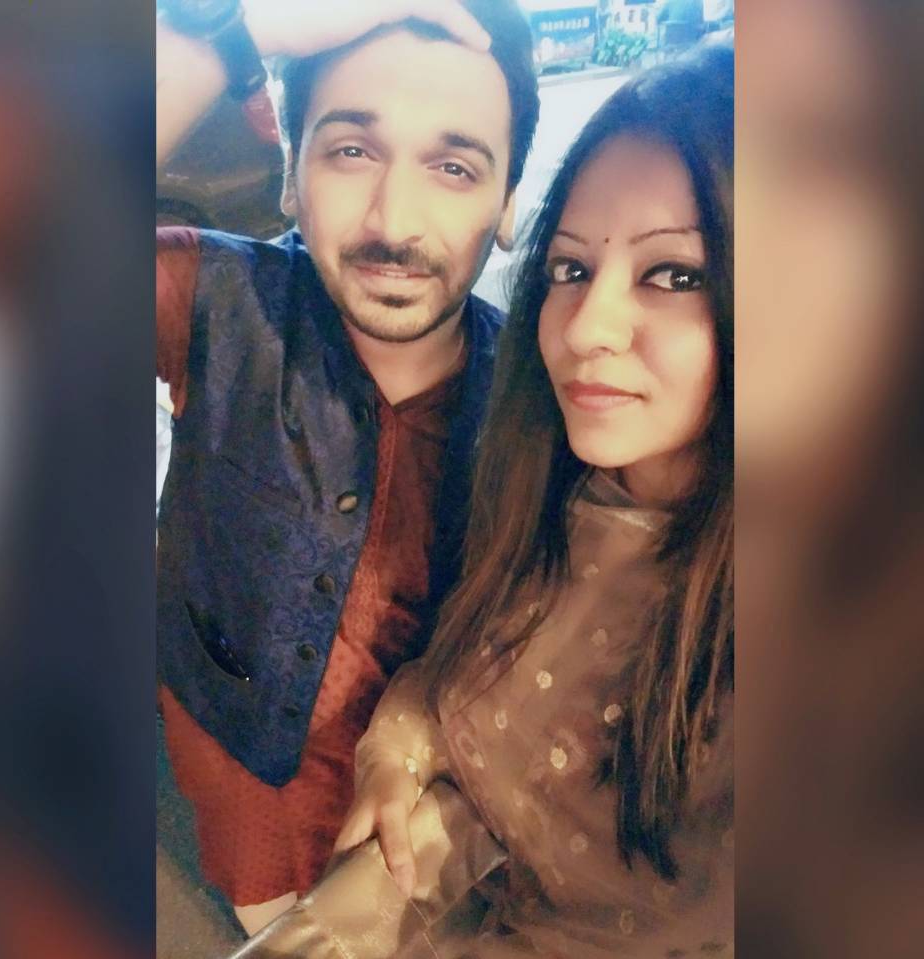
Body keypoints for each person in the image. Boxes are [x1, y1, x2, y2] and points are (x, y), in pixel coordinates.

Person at [246, 44, 734, 958]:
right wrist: (397, 755)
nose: (586, 328)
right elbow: (461, 673)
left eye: (675, 274)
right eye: (570, 270)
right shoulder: (553, 491)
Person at [154, 0, 539, 936]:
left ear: (506, 206)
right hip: (238, 768)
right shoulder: (210, 294)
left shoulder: (542, 400)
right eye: (351, 150)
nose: (393, 220)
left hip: (429, 806)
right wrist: (229, 36)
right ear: (291, 172)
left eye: (454, 167)